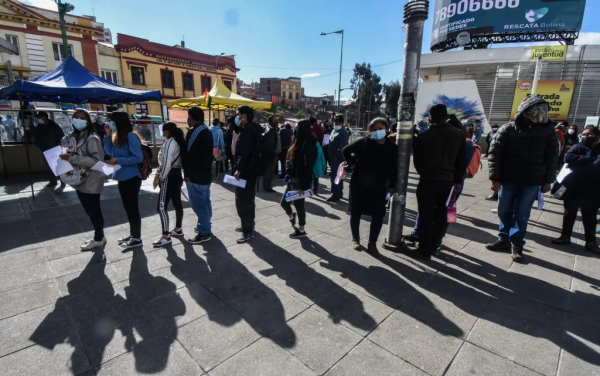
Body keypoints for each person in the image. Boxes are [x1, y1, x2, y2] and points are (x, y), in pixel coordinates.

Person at [486, 96, 558, 262]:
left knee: (522, 213)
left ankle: (516, 242)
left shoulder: (548, 131)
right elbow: (494, 154)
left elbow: (552, 156)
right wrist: (494, 178)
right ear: (524, 112)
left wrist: (548, 180)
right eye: (533, 110)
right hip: (508, 178)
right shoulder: (508, 129)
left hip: (532, 179)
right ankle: (503, 239)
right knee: (504, 209)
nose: (537, 113)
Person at [405, 115, 474, 247]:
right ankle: (430, 238)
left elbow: (461, 163)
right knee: (445, 211)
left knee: (437, 211)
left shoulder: (462, 141)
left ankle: (431, 239)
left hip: (450, 180)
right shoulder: (465, 140)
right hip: (455, 181)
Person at [343, 117, 398, 256]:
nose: (377, 132)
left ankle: (372, 243)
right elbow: (346, 150)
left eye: (380, 128)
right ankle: (355, 238)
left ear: (386, 129)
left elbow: (394, 168)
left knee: (378, 215)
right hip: (359, 185)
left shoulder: (392, 148)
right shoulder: (364, 143)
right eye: (374, 130)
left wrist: (392, 186)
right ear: (370, 132)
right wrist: (352, 164)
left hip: (379, 187)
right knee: (356, 212)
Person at [59, 109, 106, 252]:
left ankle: (98, 239)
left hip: (92, 179)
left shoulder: (92, 138)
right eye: (76, 117)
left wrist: (72, 158)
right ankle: (100, 236)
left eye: (82, 118)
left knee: (94, 210)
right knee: (88, 209)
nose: (78, 120)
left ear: (88, 121)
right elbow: (65, 152)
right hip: (79, 179)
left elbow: (96, 160)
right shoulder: (71, 137)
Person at [552, 125, 600, 253]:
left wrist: (579, 164)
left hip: (592, 189)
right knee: (569, 213)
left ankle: (590, 242)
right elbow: (567, 158)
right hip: (573, 187)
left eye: (588, 134)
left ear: (596, 136)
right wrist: (589, 160)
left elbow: (597, 166)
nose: (585, 137)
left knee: (589, 216)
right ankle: (565, 236)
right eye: (583, 134)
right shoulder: (578, 146)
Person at [103, 111, 144, 249]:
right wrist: (108, 136)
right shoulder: (117, 137)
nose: (110, 123)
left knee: (132, 208)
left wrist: (118, 160)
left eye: (112, 121)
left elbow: (138, 157)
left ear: (118, 122)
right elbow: (109, 152)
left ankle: (137, 238)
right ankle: (133, 235)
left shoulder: (130, 136)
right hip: (121, 176)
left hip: (131, 177)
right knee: (128, 208)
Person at [280, 119, 317, 239]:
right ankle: (292, 216)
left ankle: (301, 230)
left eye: (298, 126)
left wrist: (303, 185)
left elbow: (308, 166)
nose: (295, 128)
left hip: (300, 180)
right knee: (284, 203)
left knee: (299, 205)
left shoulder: (309, 143)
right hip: (293, 178)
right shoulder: (298, 140)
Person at [183, 107, 214, 244]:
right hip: (205, 174)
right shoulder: (206, 130)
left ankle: (204, 232)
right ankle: (206, 225)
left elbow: (188, 155)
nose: (187, 120)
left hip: (196, 175)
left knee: (199, 204)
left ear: (191, 117)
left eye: (188, 117)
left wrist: (187, 173)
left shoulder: (194, 132)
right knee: (205, 202)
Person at [153, 122, 186, 248]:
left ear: (167, 131)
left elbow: (166, 162)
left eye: (164, 131)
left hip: (168, 177)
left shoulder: (170, 142)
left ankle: (165, 236)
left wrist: (161, 177)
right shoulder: (178, 141)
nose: (163, 133)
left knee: (161, 207)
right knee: (177, 203)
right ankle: (178, 229)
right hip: (177, 175)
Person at [233, 105, 263, 243]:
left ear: (244, 116)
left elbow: (245, 152)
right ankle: (249, 224)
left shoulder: (247, 130)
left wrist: (239, 168)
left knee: (242, 200)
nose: (237, 117)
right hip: (252, 170)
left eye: (239, 114)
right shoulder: (254, 128)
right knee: (249, 199)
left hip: (246, 171)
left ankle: (247, 230)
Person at [34, 111, 65, 188]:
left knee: (59, 166)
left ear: (45, 117)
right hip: (45, 150)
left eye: (40, 118)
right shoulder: (39, 127)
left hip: (56, 149)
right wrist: (40, 146)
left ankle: (63, 181)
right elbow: (36, 139)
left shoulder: (55, 126)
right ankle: (53, 182)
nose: (39, 119)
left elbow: (61, 137)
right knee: (49, 166)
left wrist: (57, 147)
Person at [327, 114, 350, 202]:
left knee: (336, 177)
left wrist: (335, 156)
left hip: (338, 159)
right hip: (332, 158)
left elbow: (342, 147)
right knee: (338, 176)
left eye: (338, 122)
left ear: (342, 122)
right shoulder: (334, 130)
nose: (336, 123)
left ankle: (335, 194)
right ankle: (338, 193)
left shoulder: (344, 132)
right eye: (335, 121)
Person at [262, 115, 280, 192]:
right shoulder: (270, 130)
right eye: (274, 120)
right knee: (270, 171)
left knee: (269, 171)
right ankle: (267, 186)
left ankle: (267, 185)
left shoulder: (273, 129)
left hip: (271, 153)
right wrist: (274, 153)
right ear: (270, 122)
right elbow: (270, 144)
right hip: (271, 154)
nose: (276, 122)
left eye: (277, 120)